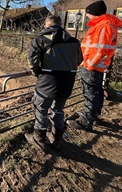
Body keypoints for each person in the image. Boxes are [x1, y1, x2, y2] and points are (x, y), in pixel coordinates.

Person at [25, 15, 83, 151]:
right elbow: (79, 60)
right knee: (58, 110)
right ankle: (56, 139)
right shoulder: (74, 42)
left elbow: (32, 62)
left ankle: (39, 139)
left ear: (46, 25)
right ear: (61, 25)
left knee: (41, 109)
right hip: (67, 82)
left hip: (47, 82)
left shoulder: (39, 41)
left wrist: (39, 73)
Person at [67, 0, 122, 130]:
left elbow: (100, 49)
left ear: (95, 14)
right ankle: (93, 116)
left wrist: (89, 65)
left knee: (90, 92)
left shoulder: (103, 27)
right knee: (96, 91)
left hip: (92, 66)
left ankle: (86, 121)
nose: (87, 16)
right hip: (96, 65)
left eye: (88, 13)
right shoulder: (105, 25)